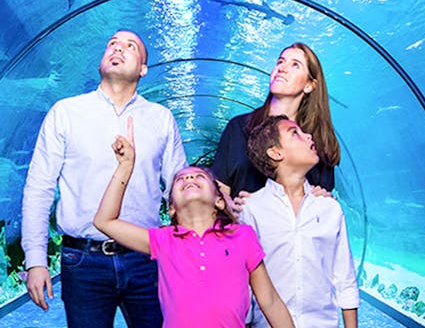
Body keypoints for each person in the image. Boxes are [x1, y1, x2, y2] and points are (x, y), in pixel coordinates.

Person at [21, 30, 187, 328]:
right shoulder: (66, 113)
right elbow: (38, 188)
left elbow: (180, 189)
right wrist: (35, 260)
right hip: (83, 261)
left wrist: (188, 252)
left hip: (145, 257)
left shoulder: (161, 118)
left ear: (143, 69)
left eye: (130, 46)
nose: (118, 48)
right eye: (112, 43)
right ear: (100, 61)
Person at [94, 117, 295, 328]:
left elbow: (270, 301)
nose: (189, 179)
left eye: (199, 176)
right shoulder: (163, 240)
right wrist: (126, 166)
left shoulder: (242, 235)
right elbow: (104, 221)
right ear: (171, 208)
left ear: (219, 200)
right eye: (180, 179)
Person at [241, 115, 359, 328]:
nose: (308, 136)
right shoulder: (252, 209)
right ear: (276, 152)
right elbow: (246, 282)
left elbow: (345, 278)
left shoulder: (329, 208)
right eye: (294, 133)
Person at [211, 42, 340, 200]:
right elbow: (219, 185)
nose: (282, 68)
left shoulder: (317, 141)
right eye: (280, 61)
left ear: (309, 85)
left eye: (295, 65)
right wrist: (232, 208)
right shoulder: (238, 127)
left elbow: (324, 194)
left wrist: (324, 198)